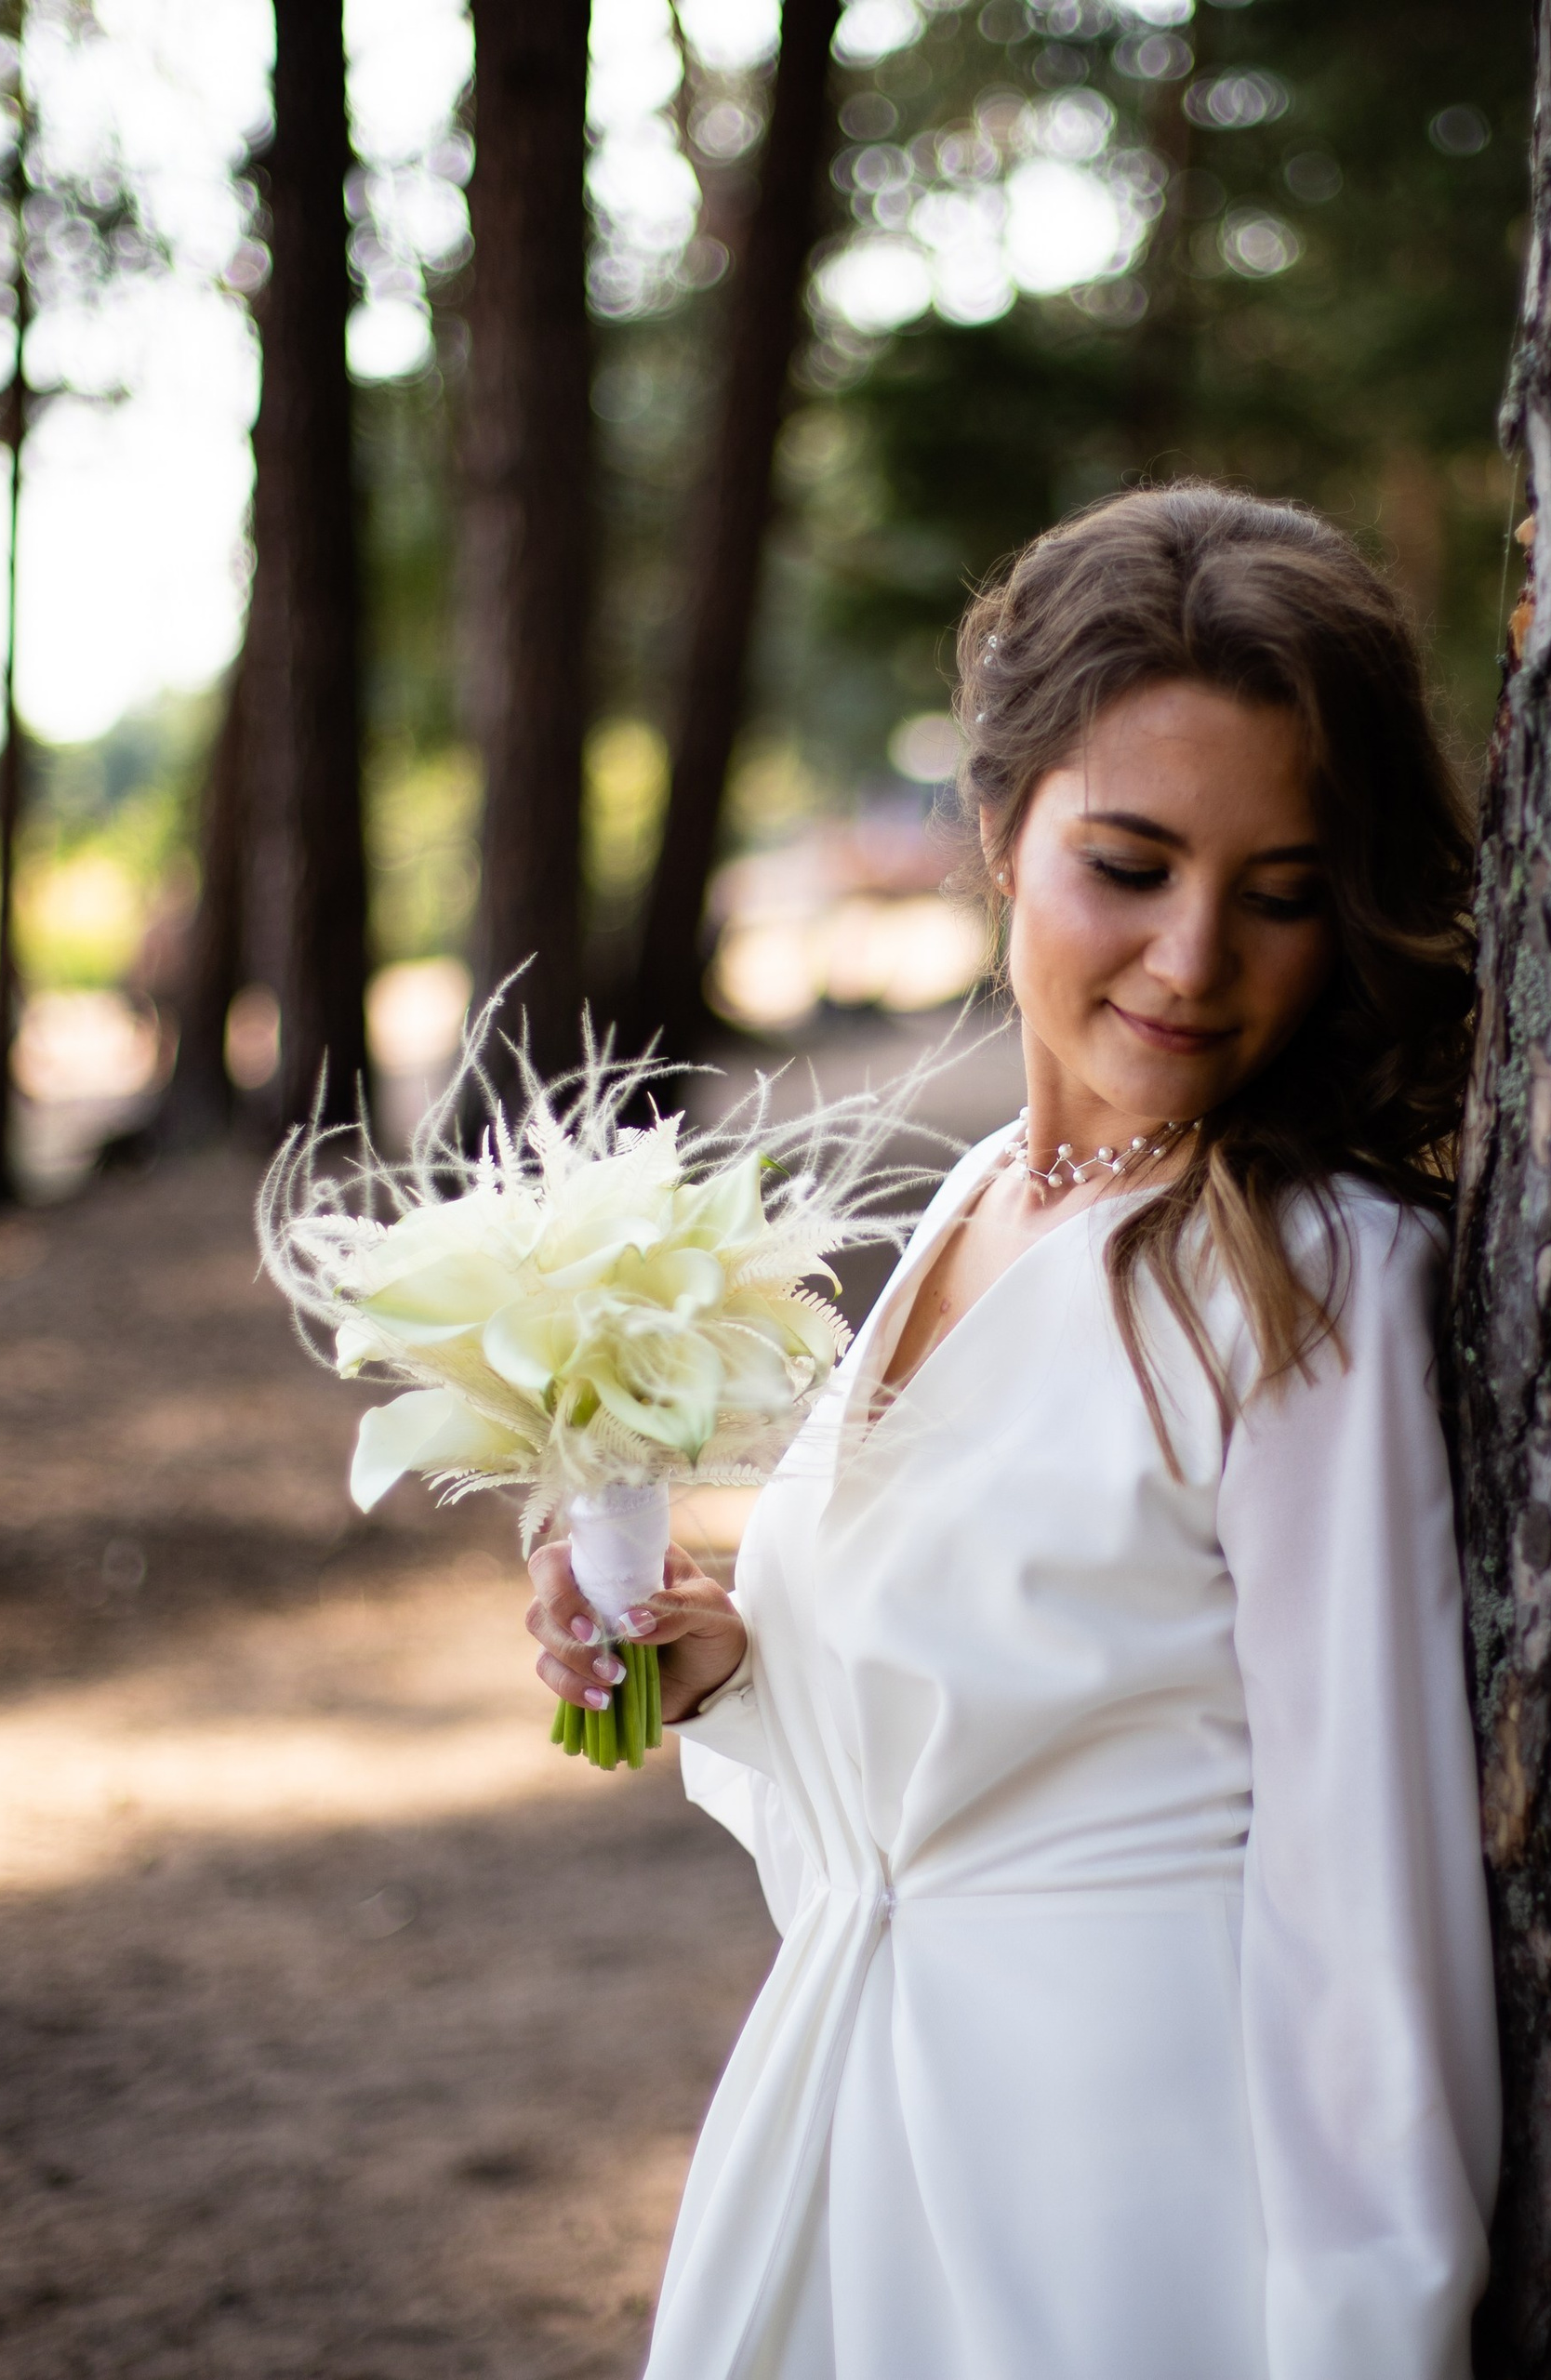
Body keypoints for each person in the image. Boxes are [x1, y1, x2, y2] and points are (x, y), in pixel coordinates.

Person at [526, 483, 1501, 2380]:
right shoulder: (979, 1198)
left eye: (1279, 889)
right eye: (1126, 864)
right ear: (995, 830)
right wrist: (715, 1662)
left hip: (1131, 2190)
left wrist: (1372, 2325)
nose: (1195, 957)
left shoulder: (1311, 1276)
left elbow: (1362, 1884)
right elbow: (916, 1802)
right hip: (864, 2126)